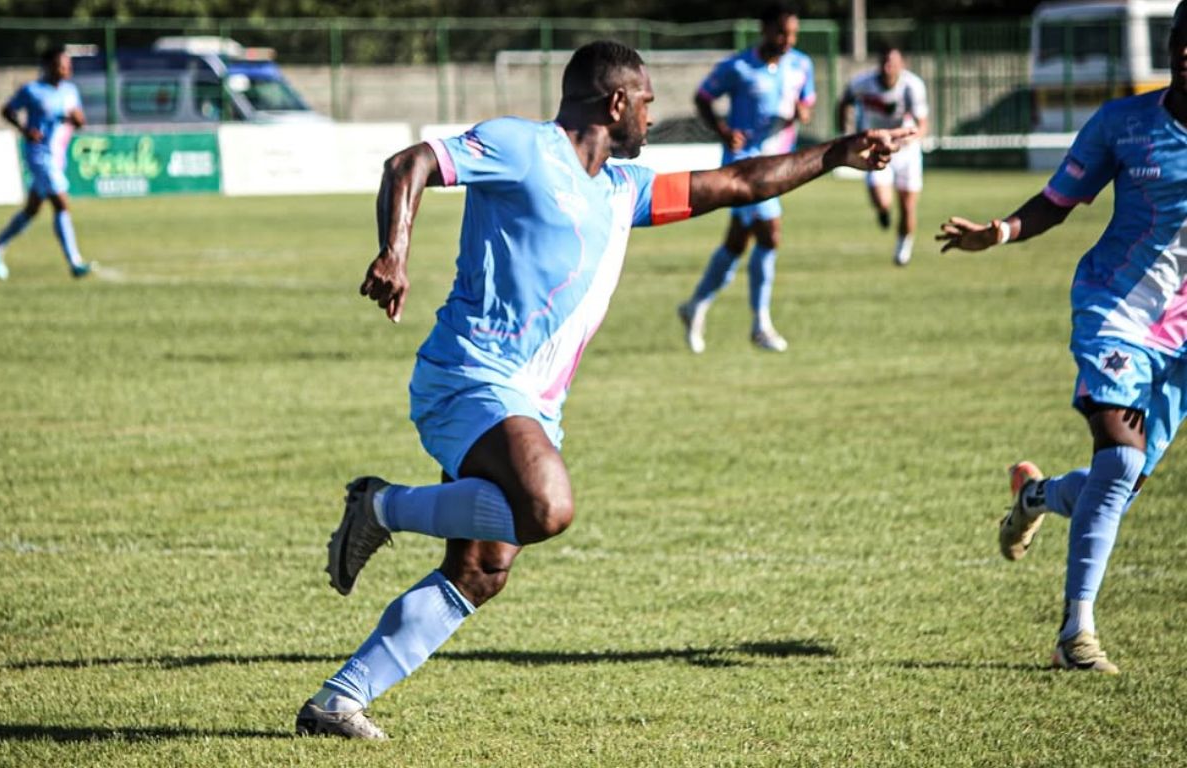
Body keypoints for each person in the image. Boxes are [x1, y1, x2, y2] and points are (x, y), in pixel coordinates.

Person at [295, 40, 909, 740]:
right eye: (648, 102)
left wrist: (835, 153)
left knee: (482, 568)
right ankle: (380, 506)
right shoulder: (521, 146)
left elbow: (739, 182)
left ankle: (337, 701)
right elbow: (410, 164)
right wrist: (395, 249)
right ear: (616, 102)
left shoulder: (625, 190)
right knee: (547, 505)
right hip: (470, 379)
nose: (654, 117)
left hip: (529, 407)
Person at [936, 1, 1187, 675]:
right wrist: (1003, 231)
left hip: (1183, 343)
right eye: (1184, 42)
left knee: (1116, 482)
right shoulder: (1125, 124)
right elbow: (1059, 200)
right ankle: (1075, 637)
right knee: (1121, 464)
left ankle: (1036, 497)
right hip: (1117, 311)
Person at [676, 3, 816, 354]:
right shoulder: (738, 67)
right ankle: (760, 324)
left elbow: (806, 103)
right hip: (743, 164)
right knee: (771, 233)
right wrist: (723, 130)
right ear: (765, 29)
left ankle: (696, 306)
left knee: (737, 244)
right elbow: (703, 97)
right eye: (782, 32)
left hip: (779, 164)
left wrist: (804, 112)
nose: (788, 40)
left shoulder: (802, 64)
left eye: (793, 34)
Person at [0, 45, 92, 281]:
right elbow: (7, 110)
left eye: (68, 65)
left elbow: (80, 122)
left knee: (32, 210)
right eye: (62, 65)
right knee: (62, 204)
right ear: (49, 66)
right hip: (39, 155)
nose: (67, 69)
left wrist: (77, 118)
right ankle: (75, 262)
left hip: (57, 157)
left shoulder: (71, 91)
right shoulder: (33, 90)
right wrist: (24, 130)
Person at [836, 42, 929, 266]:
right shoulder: (862, 83)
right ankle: (883, 211)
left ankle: (902, 249)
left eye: (893, 63)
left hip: (906, 151)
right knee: (882, 199)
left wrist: (911, 139)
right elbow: (843, 103)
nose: (888, 67)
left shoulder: (912, 86)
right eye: (885, 62)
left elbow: (923, 124)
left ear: (902, 64)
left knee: (907, 206)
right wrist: (844, 132)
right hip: (877, 149)